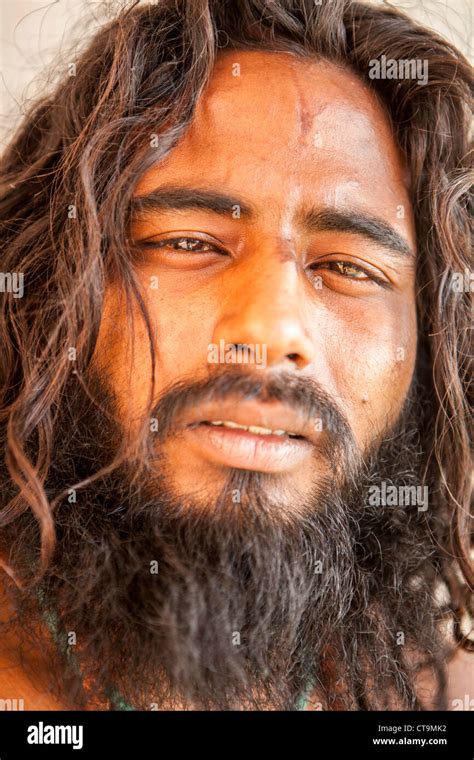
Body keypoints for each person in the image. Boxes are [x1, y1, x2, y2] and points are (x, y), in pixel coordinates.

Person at [0, 0, 472, 711]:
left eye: (347, 268)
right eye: (188, 243)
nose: (270, 327)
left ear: (434, 346)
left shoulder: (442, 702)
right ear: (51, 289)